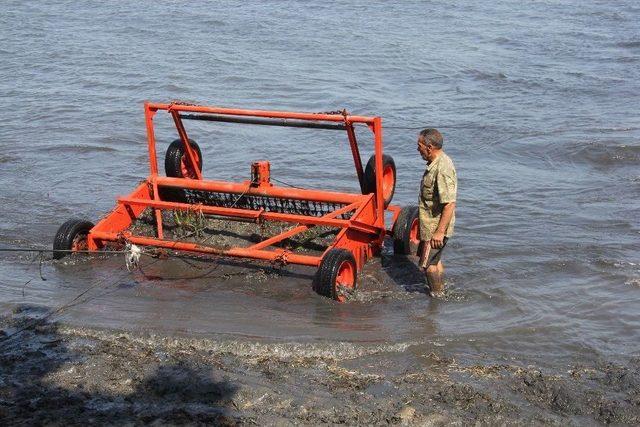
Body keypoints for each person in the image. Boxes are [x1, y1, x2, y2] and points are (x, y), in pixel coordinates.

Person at [416, 128, 457, 297]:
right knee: (435, 260)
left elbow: (449, 204)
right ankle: (441, 291)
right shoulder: (437, 163)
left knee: (427, 265)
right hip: (431, 225)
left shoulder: (442, 169)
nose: (418, 149)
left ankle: (436, 297)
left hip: (435, 228)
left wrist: (439, 233)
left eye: (419, 146)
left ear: (429, 147)